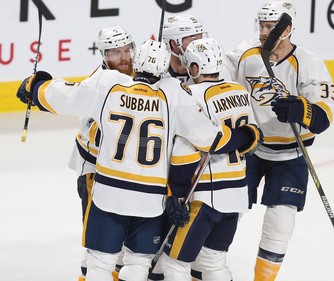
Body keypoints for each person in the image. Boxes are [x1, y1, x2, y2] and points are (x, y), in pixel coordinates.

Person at [16, 39, 262, 281]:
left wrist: (35, 86)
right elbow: (209, 138)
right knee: (138, 263)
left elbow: (66, 96)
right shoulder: (173, 94)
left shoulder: (109, 85)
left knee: (100, 264)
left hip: (109, 193)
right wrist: (248, 135)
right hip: (151, 201)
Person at [226, 1, 334, 280]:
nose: (264, 32)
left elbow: (324, 116)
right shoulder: (244, 53)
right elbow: (216, 79)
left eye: (270, 26)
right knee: (226, 209)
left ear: (286, 29)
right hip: (251, 149)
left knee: (280, 221)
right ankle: (206, 266)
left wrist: (302, 110)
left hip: (291, 155)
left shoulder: (309, 63)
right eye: (261, 25)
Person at [158, 38, 261, 281]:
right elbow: (255, 137)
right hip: (237, 194)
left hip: (206, 197)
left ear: (194, 68)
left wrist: (176, 194)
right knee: (213, 262)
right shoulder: (239, 91)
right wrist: (239, 138)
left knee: (173, 263)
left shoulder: (191, 95)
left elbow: (186, 151)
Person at [69, 25, 136, 281]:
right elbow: (94, 135)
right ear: (103, 56)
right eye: (114, 52)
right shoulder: (96, 84)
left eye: (126, 49)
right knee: (96, 240)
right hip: (94, 169)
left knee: (124, 237)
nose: (123, 57)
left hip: (124, 170)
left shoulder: (141, 76)